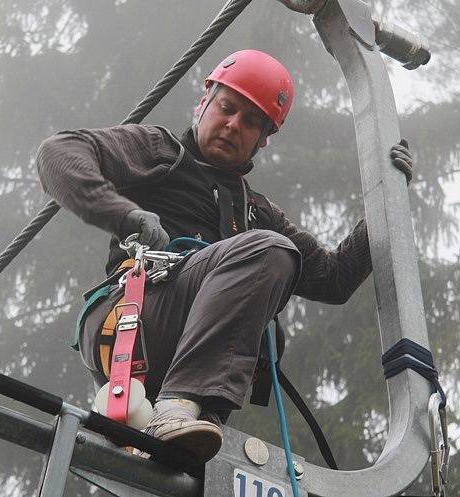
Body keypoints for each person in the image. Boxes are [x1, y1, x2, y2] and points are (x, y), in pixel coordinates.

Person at [36, 49, 412, 464]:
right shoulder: (162, 153)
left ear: (263, 138)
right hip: (139, 322)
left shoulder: (258, 213)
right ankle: (177, 406)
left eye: (250, 122)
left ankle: (185, 412)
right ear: (204, 102)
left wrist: (388, 199)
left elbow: (334, 278)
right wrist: (123, 214)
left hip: (191, 356)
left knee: (273, 250)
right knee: (270, 249)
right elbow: (60, 153)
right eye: (226, 108)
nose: (233, 125)